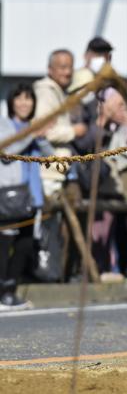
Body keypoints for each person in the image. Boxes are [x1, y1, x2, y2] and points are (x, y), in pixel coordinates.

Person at [0, 84, 51, 310]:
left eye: (28, 98)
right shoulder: (4, 124)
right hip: (8, 195)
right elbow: (7, 153)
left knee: (25, 244)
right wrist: (32, 133)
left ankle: (10, 291)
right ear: (11, 102)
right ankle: (3, 294)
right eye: (19, 98)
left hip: (31, 197)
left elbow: (49, 154)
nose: (24, 103)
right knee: (4, 244)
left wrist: (40, 135)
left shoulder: (32, 127)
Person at [32, 49, 83, 197]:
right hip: (48, 174)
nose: (67, 72)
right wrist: (74, 131)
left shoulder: (60, 91)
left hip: (57, 171)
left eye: (70, 67)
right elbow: (42, 131)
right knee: (48, 218)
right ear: (50, 69)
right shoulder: (46, 92)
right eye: (62, 67)